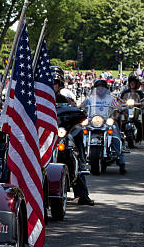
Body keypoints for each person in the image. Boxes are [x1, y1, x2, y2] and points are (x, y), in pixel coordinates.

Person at [52, 67, 93, 205]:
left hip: (62, 132)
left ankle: (82, 192)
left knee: (74, 142)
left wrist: (78, 114)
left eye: (54, 82)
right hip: (43, 135)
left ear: (60, 84)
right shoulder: (36, 99)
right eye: (49, 82)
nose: (52, 85)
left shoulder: (65, 99)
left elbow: (78, 112)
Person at [81, 79, 127, 174]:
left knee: (116, 135)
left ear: (106, 89)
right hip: (93, 121)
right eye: (98, 87)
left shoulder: (110, 99)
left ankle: (120, 159)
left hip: (107, 121)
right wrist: (78, 107)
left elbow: (118, 107)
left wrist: (118, 110)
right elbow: (82, 106)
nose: (100, 89)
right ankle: (79, 155)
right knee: (80, 133)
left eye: (102, 87)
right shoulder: (91, 99)